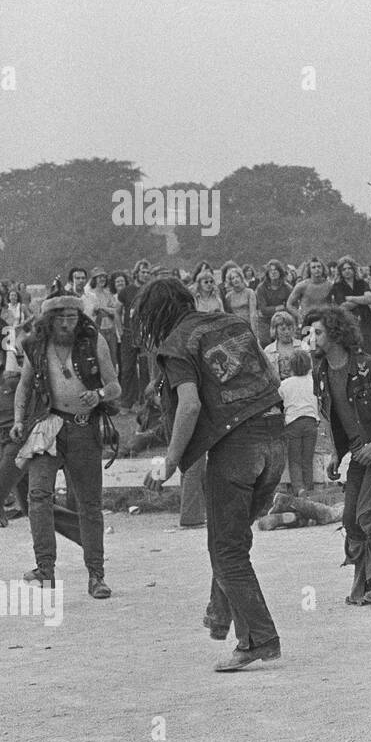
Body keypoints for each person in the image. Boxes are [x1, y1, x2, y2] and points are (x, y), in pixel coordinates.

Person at [138, 277, 286, 671]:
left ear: (155, 315)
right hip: (276, 438)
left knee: (226, 548)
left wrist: (169, 461)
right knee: (234, 538)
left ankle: (259, 638)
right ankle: (221, 615)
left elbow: (188, 406)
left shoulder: (176, 344)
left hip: (236, 448)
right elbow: (270, 375)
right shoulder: (233, 324)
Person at [11, 286, 120, 598]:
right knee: (38, 495)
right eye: (61, 318)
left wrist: (97, 394)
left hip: (85, 428)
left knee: (89, 504)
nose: (68, 324)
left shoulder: (93, 340)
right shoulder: (35, 344)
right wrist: (19, 420)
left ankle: (96, 575)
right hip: (49, 424)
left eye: (73, 317)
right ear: (49, 319)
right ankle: (45, 568)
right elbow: (24, 385)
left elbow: (115, 387)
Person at [0, 317, 83, 588]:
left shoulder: (17, 366)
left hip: (24, 443)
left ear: (2, 340)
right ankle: (89, 535)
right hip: (5, 443)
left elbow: (37, 395)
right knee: (32, 506)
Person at [309, 305, 371, 607]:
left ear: (336, 334)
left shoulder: (368, 366)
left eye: (318, 332)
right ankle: (368, 581)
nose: (311, 338)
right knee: (353, 522)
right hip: (358, 454)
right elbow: (333, 416)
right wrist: (333, 454)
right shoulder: (322, 373)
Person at [278, 349, 319, 497]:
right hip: (311, 422)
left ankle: (298, 488)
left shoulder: (285, 384)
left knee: (294, 459)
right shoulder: (313, 381)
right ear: (309, 366)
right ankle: (308, 488)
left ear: (290, 367)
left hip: (292, 423)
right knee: (307, 458)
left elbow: (279, 401)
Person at [117, 261, 152, 410]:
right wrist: (120, 330)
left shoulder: (151, 290)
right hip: (129, 334)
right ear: (136, 272)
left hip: (145, 335)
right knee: (127, 369)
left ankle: (145, 402)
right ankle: (126, 402)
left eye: (147, 272)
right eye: (143, 272)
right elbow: (117, 311)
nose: (145, 275)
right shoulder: (126, 291)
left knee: (145, 369)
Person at [255, 260, 293, 346]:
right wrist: (277, 308)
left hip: (281, 321)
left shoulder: (287, 288)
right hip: (265, 322)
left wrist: (283, 309)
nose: (273, 272)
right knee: (266, 345)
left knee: (283, 344)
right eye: (270, 270)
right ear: (267, 273)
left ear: (280, 272)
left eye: (276, 270)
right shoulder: (261, 288)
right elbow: (263, 309)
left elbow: (291, 305)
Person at [221, 265, 259, 341]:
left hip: (248, 326)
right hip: (235, 329)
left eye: (237, 277)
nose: (235, 280)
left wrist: (254, 333)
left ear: (241, 278)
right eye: (232, 278)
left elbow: (253, 314)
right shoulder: (228, 296)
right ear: (230, 281)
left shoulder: (250, 292)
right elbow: (228, 315)